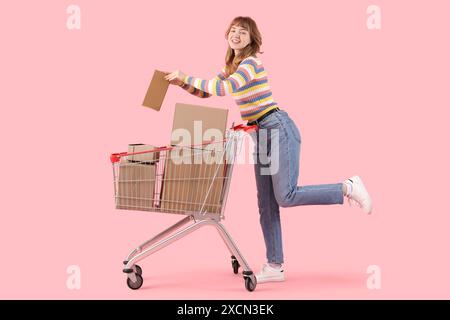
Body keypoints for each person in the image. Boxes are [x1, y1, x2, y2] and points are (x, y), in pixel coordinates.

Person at [164, 16, 372, 284]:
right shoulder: (231, 67)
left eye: (243, 32)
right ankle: (275, 265)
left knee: (285, 195)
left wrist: (184, 75)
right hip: (259, 134)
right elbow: (206, 92)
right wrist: (178, 82)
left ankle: (346, 187)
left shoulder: (250, 64)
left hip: (277, 127)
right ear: (227, 35)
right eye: (233, 30)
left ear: (252, 39)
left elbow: (224, 89)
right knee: (266, 204)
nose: (237, 35)